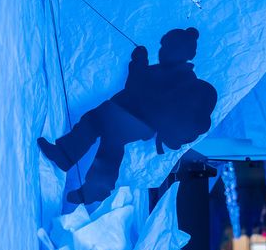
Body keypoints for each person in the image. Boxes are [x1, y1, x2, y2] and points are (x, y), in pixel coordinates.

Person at [38, 27, 217, 204]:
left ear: (178, 52)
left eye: (167, 48)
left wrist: (139, 61)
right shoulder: (177, 73)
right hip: (136, 118)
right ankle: (91, 185)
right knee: (110, 140)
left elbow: (136, 87)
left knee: (97, 124)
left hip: (137, 118)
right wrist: (140, 63)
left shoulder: (178, 76)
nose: (162, 51)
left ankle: (74, 165)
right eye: (163, 47)